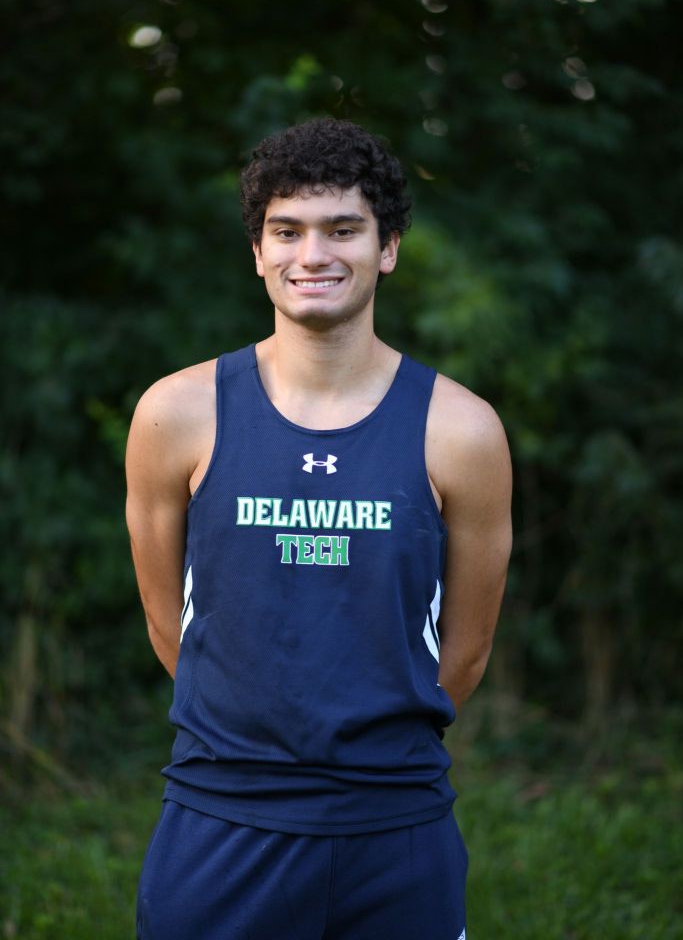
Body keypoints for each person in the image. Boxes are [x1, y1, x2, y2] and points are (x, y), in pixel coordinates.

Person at [126, 117, 512, 940]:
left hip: (395, 826)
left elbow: (467, 650)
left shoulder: (461, 431)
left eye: (342, 229)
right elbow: (168, 625)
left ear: (387, 247)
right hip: (220, 820)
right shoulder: (176, 413)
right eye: (287, 230)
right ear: (258, 250)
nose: (313, 255)